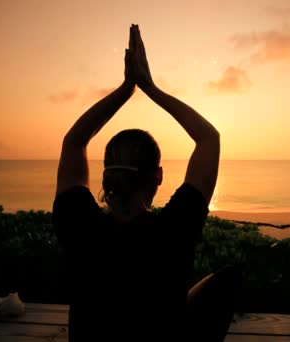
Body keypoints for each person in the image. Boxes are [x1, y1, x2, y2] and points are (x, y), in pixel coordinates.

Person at [52, 24, 240, 341]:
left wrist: (126, 89)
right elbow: (209, 138)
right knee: (227, 281)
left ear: (106, 175)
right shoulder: (175, 228)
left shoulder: (78, 222)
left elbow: (74, 142)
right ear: (158, 176)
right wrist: (150, 88)